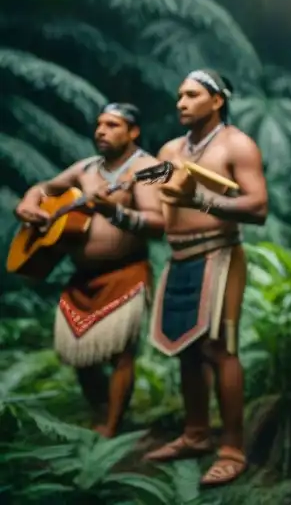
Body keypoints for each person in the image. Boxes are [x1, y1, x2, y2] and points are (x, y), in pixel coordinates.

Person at [142, 68, 267, 488]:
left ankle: (232, 448)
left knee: (220, 348)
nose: (181, 102)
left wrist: (200, 198)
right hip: (179, 258)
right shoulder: (169, 149)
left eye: (192, 95)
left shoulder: (237, 145)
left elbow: (258, 207)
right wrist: (117, 199)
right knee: (187, 350)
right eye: (178, 95)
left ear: (217, 101)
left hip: (220, 254)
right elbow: (150, 190)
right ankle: (196, 434)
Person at [12, 103, 164, 438]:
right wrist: (28, 203)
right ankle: (100, 411)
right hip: (83, 278)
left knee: (121, 352)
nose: (101, 131)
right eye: (99, 125)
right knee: (82, 354)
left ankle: (112, 427)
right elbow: (44, 188)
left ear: (133, 132)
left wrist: (116, 213)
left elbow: (157, 223)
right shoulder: (85, 168)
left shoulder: (147, 168)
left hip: (126, 271)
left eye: (112, 125)